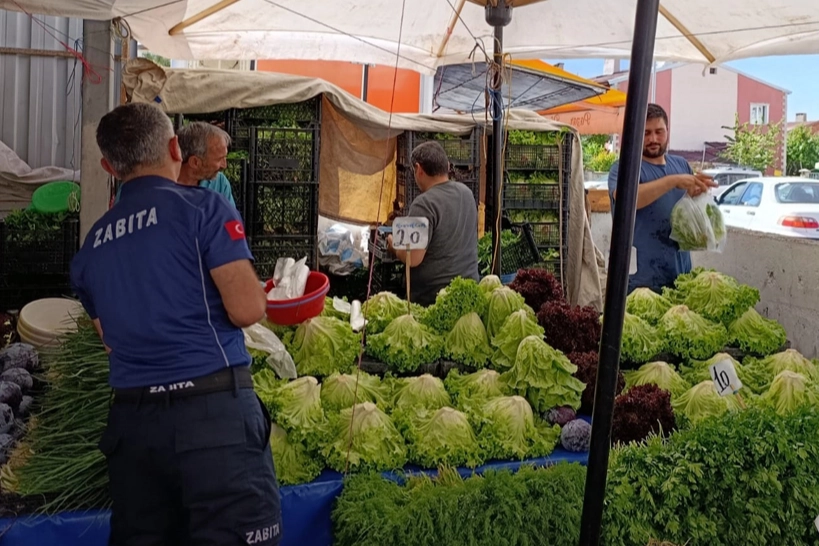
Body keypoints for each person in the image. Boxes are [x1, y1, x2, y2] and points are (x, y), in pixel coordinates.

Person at [70, 103, 281, 546]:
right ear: (174, 148)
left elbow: (110, 341)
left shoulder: (90, 247)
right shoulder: (205, 208)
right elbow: (247, 310)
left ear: (109, 166)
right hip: (212, 420)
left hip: (134, 430)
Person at [608, 103, 717, 294]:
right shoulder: (624, 167)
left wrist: (696, 197)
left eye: (659, 131)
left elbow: (683, 209)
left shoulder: (681, 164)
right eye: (646, 132)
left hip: (681, 275)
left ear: (668, 131)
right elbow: (626, 200)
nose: (653, 139)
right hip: (640, 283)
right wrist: (671, 181)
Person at [388, 141, 479, 306]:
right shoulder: (466, 193)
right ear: (447, 166)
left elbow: (412, 258)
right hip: (469, 291)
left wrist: (393, 245)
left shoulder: (424, 203)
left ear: (419, 169)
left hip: (433, 299)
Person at [113, 121, 237, 207]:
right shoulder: (142, 181)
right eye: (220, 159)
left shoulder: (220, 183)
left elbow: (229, 228)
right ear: (195, 162)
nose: (224, 165)